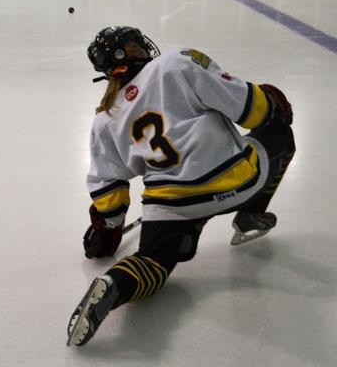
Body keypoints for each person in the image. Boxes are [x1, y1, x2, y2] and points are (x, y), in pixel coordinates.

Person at [66, 26, 295, 347]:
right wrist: (272, 103)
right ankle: (250, 215)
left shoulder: (105, 117)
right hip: (233, 178)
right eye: (134, 46)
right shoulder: (176, 63)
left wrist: (106, 233)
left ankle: (115, 282)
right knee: (281, 134)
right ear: (133, 52)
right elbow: (248, 108)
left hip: (170, 203)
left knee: (154, 262)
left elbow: (108, 192)